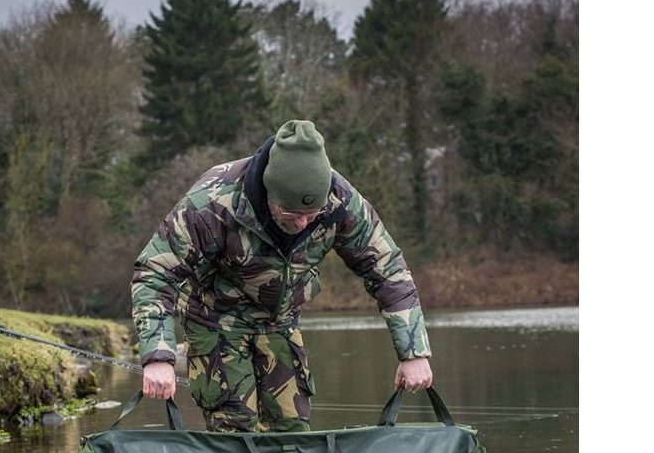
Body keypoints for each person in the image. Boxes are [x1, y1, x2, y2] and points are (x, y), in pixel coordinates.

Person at [131, 119, 433, 432]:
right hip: (215, 318)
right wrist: (158, 357)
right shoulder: (211, 204)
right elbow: (153, 274)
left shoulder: (340, 201)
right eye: (291, 214)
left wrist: (414, 353)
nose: (302, 223)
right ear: (269, 192)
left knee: (291, 428)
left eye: (311, 214)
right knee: (236, 429)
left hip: (280, 321)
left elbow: (388, 270)